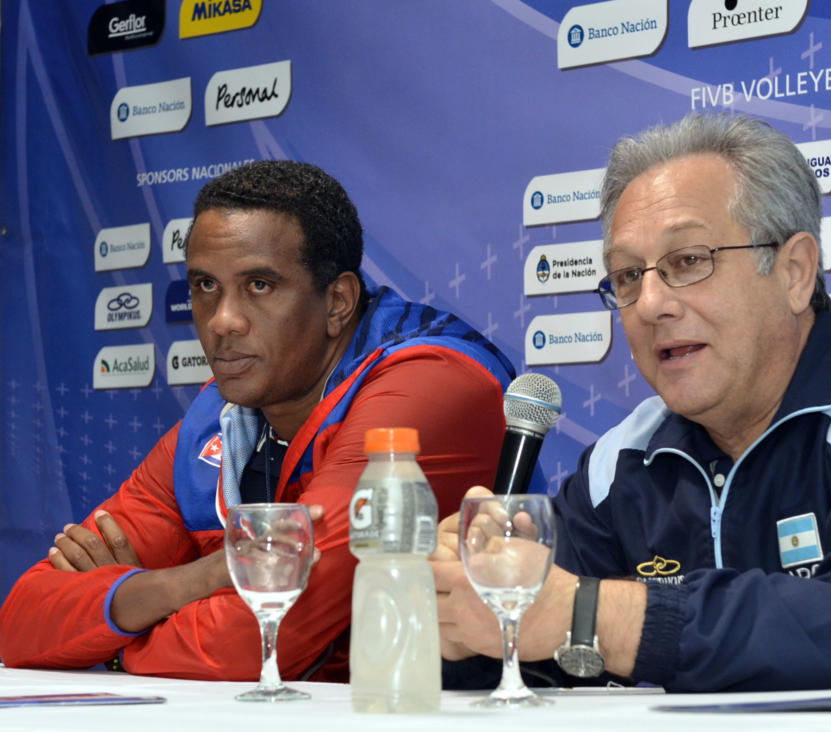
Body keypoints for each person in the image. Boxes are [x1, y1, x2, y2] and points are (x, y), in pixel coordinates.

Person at [433, 113, 831, 692]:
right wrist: (465, 626)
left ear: (794, 271)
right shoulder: (626, 460)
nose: (649, 304)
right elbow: (537, 646)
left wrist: (590, 614)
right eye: (628, 276)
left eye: (688, 261)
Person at [0, 160, 515, 681]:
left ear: (338, 302)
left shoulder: (431, 382)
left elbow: (254, 643)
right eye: (205, 285)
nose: (223, 321)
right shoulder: (217, 417)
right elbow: (20, 623)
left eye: (260, 286)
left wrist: (109, 641)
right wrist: (184, 584)